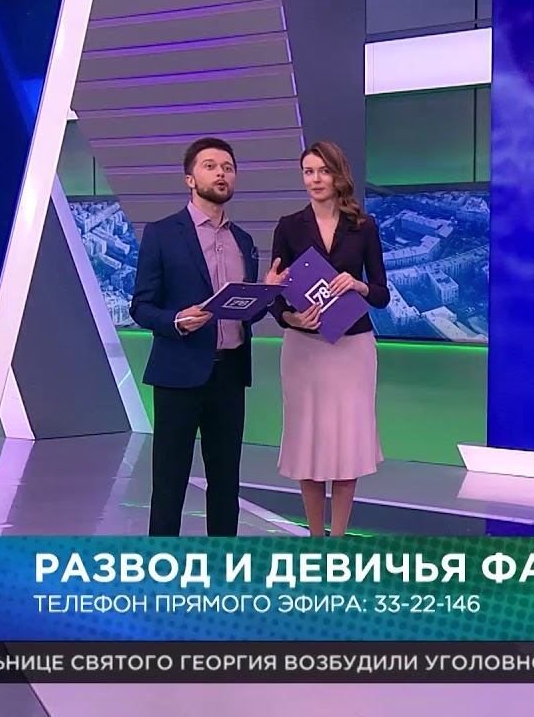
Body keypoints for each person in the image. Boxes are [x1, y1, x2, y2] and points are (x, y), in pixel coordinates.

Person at [130, 137, 283, 535]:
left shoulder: (243, 241)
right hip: (178, 373)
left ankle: (221, 562)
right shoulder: (162, 234)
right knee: (169, 481)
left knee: (226, 481)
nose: (221, 174)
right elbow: (141, 306)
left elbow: (245, 313)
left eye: (228, 168)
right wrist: (177, 320)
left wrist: (266, 293)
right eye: (211, 166)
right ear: (190, 178)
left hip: (229, 375)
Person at [268, 141, 389, 537]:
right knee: (309, 442)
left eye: (323, 171)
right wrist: (290, 317)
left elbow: (381, 293)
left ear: (339, 176)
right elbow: (274, 293)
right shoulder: (288, 226)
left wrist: (357, 285)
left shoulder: (364, 227)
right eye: (308, 171)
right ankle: (314, 538)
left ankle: (337, 541)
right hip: (304, 349)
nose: (315, 179)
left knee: (346, 445)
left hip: (352, 348)